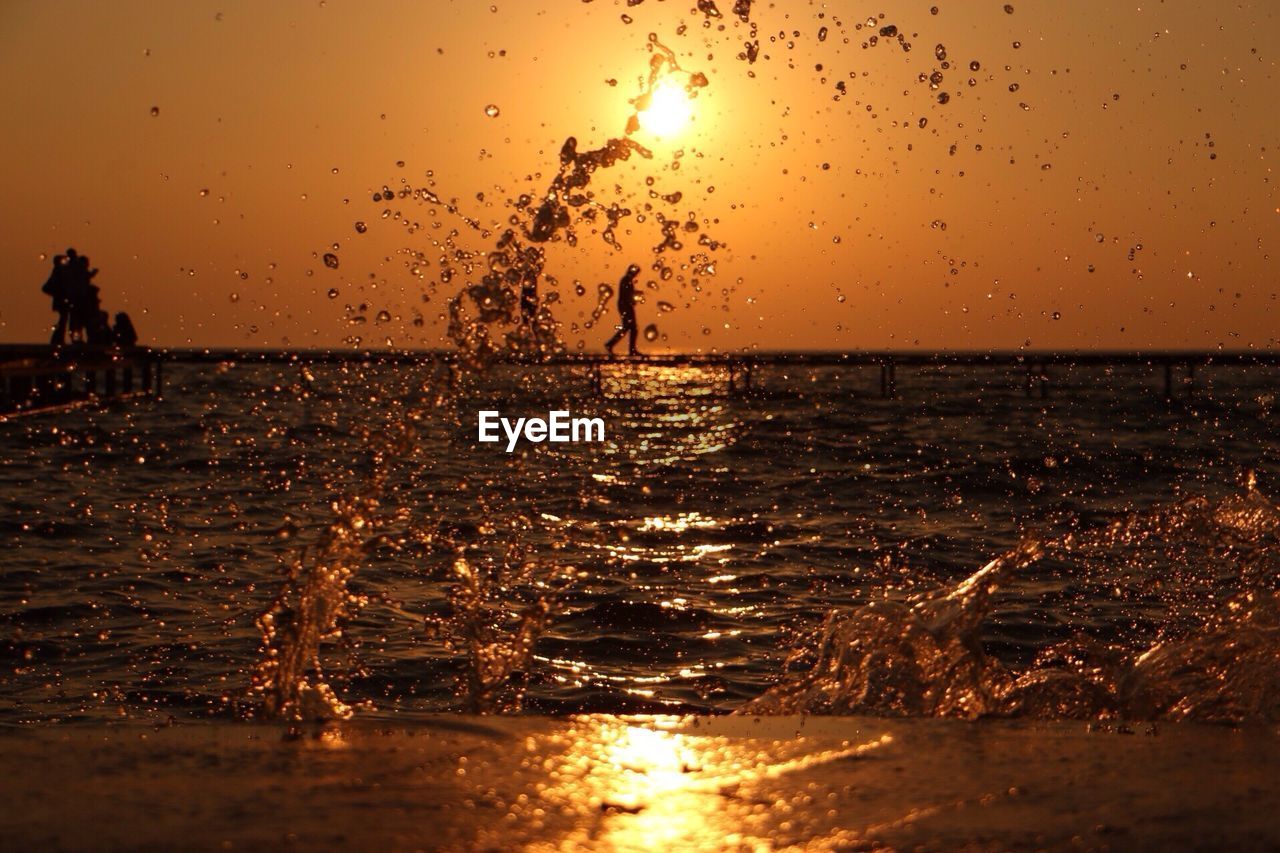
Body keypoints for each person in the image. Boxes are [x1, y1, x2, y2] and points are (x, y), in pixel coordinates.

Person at [605, 263, 641, 357]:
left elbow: (629, 294)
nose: (636, 275)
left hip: (625, 305)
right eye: (636, 273)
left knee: (629, 328)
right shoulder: (626, 280)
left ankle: (613, 344)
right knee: (631, 328)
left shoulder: (627, 280)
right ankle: (629, 349)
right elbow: (626, 294)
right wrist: (633, 298)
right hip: (625, 306)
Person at [41, 252, 72, 346]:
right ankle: (57, 339)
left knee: (63, 319)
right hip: (62, 300)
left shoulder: (60, 271)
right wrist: (58, 294)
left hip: (62, 300)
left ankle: (58, 339)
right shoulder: (58, 271)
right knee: (63, 320)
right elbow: (45, 287)